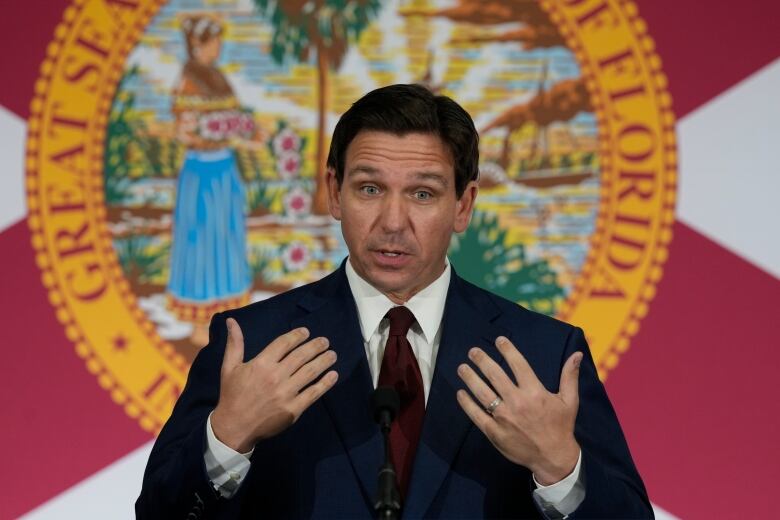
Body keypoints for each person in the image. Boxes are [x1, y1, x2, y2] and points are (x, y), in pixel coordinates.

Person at [137, 84, 652, 519]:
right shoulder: (250, 345)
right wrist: (227, 439)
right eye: (369, 188)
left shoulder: (543, 354)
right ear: (334, 193)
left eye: (423, 194)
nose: (392, 222)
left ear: (463, 205)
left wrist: (561, 467)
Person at [168, 15, 254, 347]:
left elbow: (235, 120)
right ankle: (198, 322)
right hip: (201, 172)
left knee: (225, 236)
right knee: (200, 240)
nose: (218, 47)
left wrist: (244, 132)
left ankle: (226, 314)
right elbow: (184, 128)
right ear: (196, 44)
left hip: (224, 171)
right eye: (213, 41)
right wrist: (210, 132)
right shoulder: (188, 79)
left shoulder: (218, 76)